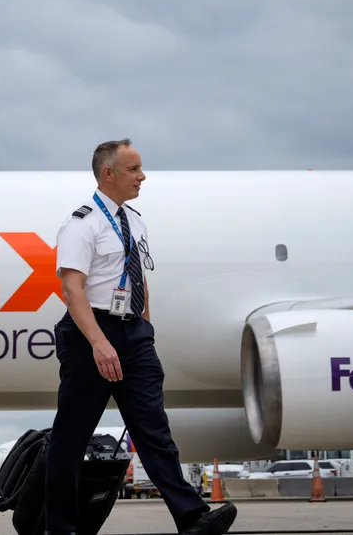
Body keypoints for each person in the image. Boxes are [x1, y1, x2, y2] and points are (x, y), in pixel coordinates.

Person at [45, 139, 237, 535]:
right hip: (90, 335)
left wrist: (144, 327)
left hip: (133, 334)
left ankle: (192, 517)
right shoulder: (82, 224)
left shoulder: (134, 219)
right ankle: (59, 527)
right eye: (133, 169)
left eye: (141, 168)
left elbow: (137, 276)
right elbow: (72, 289)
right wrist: (100, 343)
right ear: (108, 174)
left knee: (154, 432)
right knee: (72, 436)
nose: (142, 176)